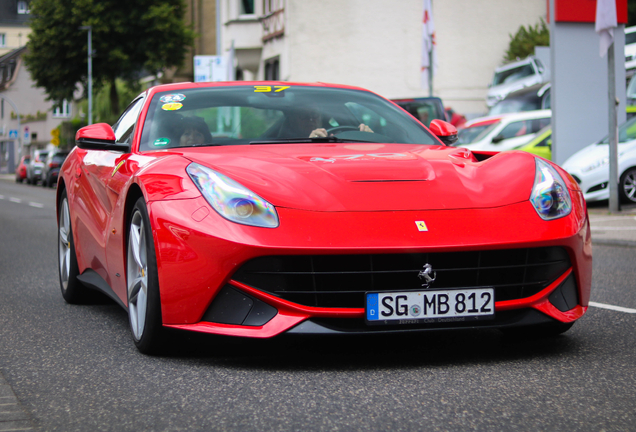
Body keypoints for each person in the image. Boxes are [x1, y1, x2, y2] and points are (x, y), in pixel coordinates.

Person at [282, 107, 373, 138]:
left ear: (321, 119)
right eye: (303, 115)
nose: (310, 119)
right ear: (293, 121)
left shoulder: (337, 136)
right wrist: (310, 143)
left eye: (314, 114)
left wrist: (369, 138)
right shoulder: (284, 145)